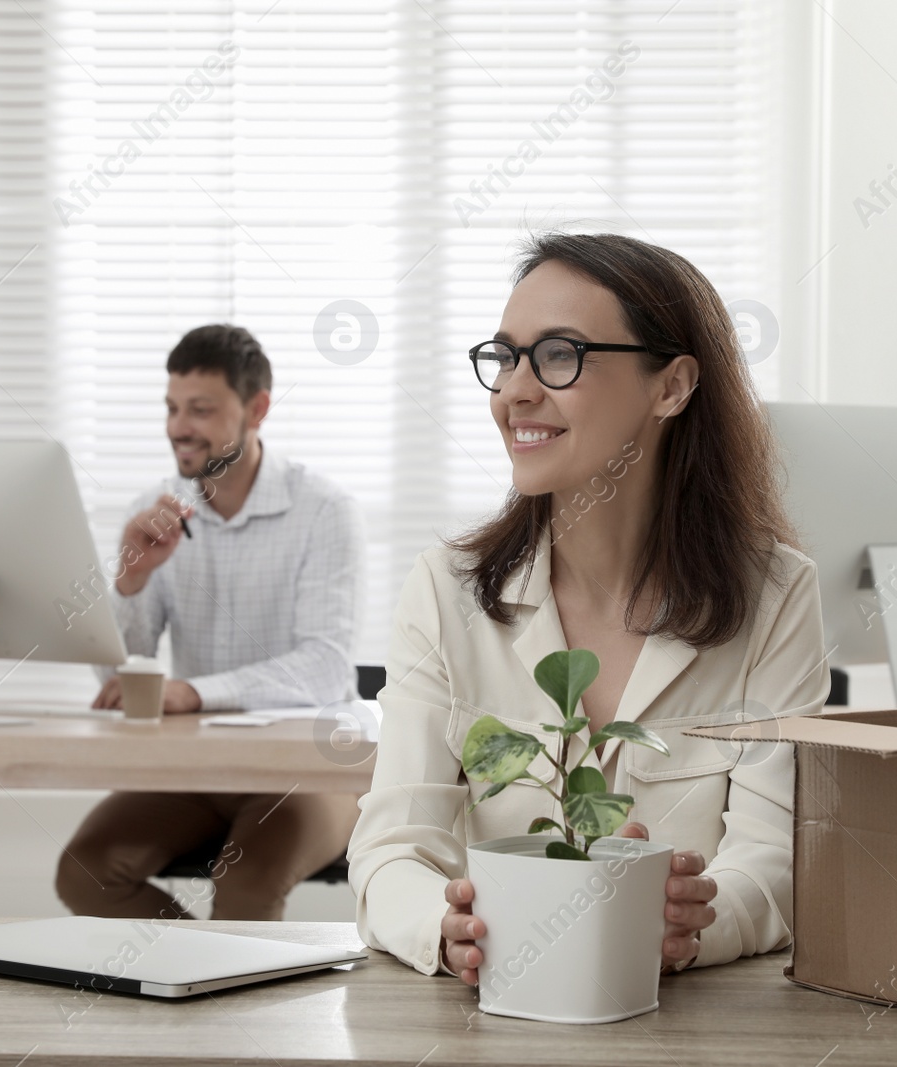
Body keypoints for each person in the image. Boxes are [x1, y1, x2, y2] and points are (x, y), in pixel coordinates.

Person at [347, 233, 829, 981]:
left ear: (670, 386)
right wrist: (447, 925)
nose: (515, 390)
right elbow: (392, 849)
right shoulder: (446, 591)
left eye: (560, 354)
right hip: (498, 1015)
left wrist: (698, 919)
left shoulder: (776, 598)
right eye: (505, 357)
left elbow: (776, 855)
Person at [55, 324, 366, 921]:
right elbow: (119, 680)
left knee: (245, 889)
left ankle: (215, 991)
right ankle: (194, 985)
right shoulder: (155, 511)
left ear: (257, 409)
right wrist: (130, 580)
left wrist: (192, 693)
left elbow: (326, 667)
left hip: (306, 769)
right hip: (197, 768)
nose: (179, 427)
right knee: (84, 874)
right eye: (172, 408)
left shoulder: (324, 510)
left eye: (200, 409)